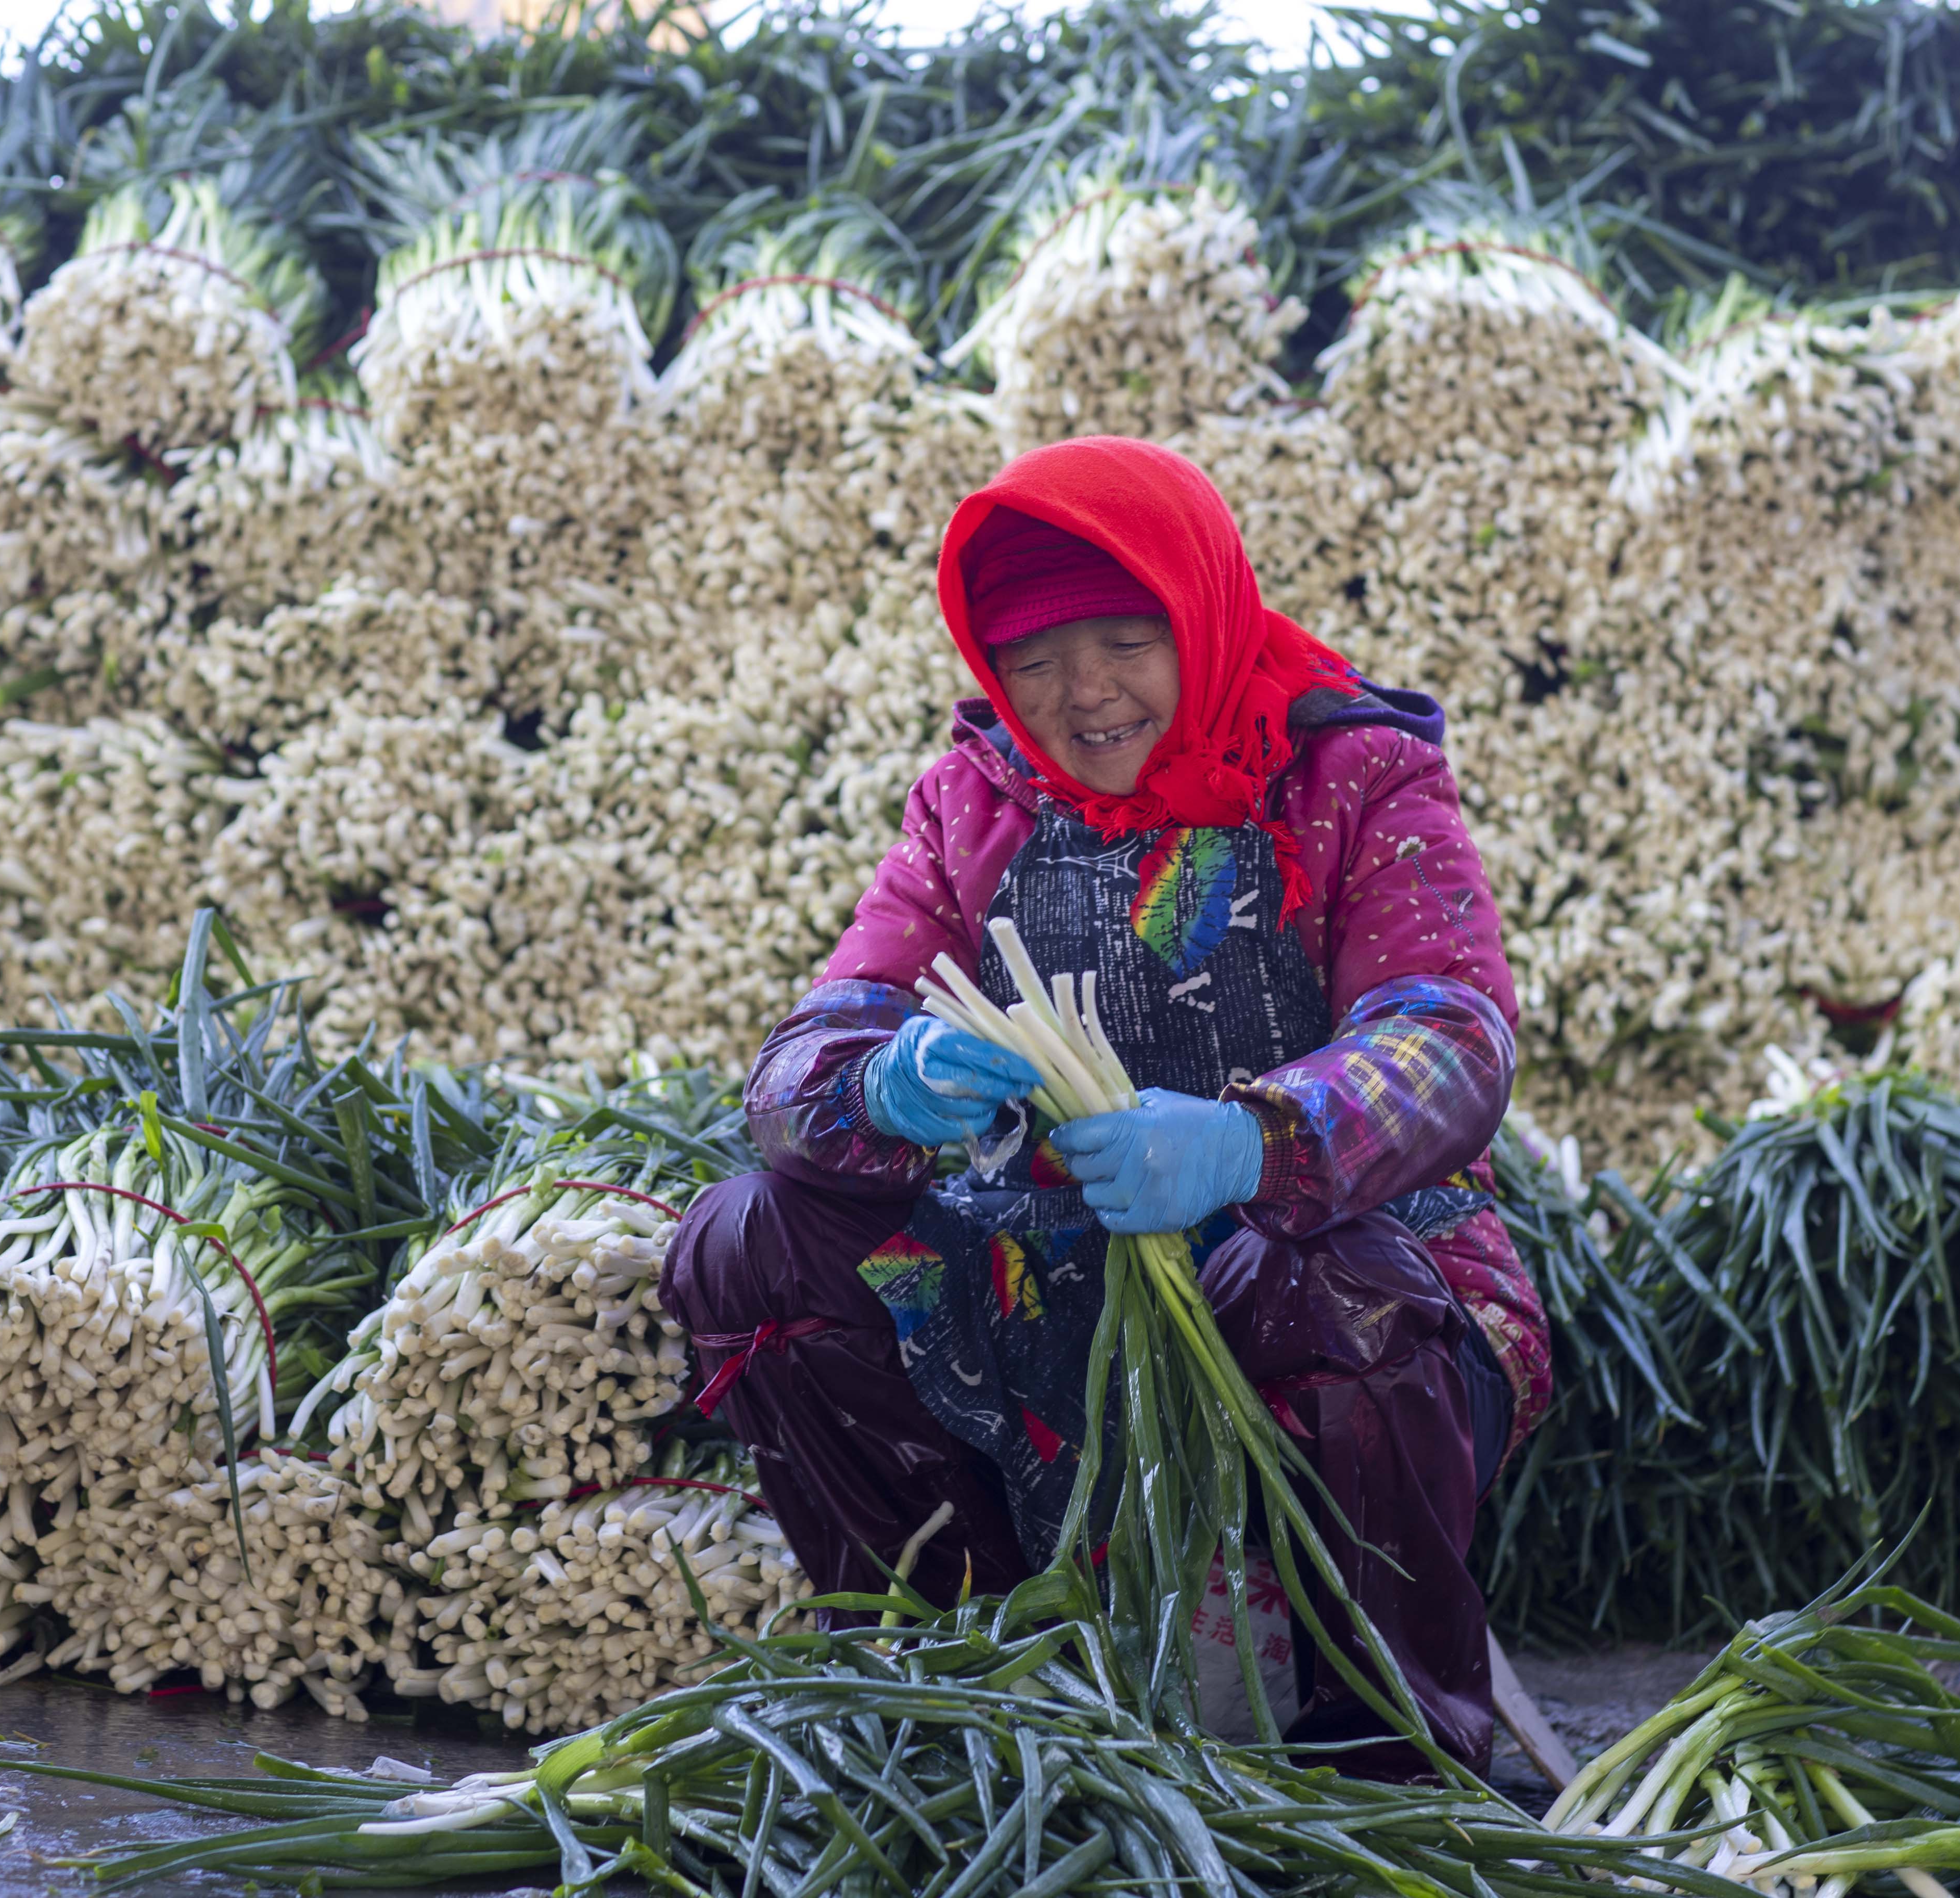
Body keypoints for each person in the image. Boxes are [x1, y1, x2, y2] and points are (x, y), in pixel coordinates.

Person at [658, 434, 1548, 1769]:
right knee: (748, 1239)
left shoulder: (1350, 775)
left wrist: (1256, 1142)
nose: (1082, 696)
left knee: (1322, 1281)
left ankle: (1385, 1745)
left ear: (1203, 607)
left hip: (1337, 1281)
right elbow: (799, 1066)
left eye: (1128, 641)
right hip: (1050, 1297)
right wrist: (879, 1087)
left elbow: (1452, 1035)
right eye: (1030, 662)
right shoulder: (974, 802)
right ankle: (954, 1671)